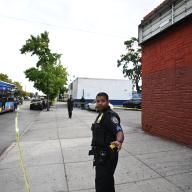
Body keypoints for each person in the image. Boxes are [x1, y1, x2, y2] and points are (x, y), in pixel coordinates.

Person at [89, 92, 124, 192]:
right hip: (101, 156)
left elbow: (119, 131)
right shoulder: (101, 114)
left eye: (103, 101)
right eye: (98, 101)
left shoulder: (110, 116)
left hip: (108, 156)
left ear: (108, 102)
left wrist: (118, 141)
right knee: (105, 183)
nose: (100, 103)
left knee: (103, 184)